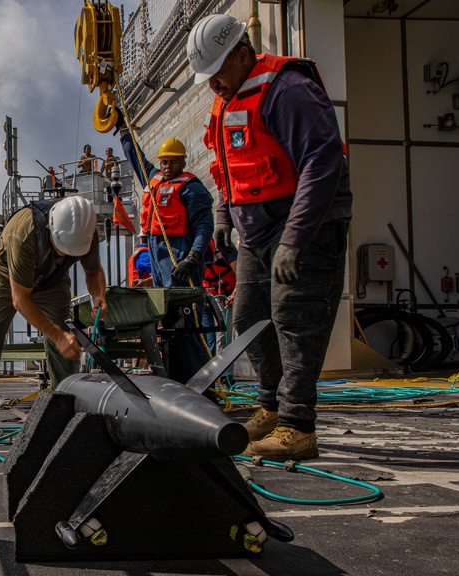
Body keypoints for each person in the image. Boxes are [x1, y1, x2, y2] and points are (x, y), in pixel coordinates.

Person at [188, 14, 352, 461]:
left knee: (295, 321)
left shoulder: (288, 90)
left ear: (243, 55)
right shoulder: (228, 101)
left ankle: (299, 426)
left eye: (218, 72)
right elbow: (227, 171)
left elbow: (323, 162)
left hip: (304, 228)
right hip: (255, 234)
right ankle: (271, 407)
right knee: (248, 319)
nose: (214, 85)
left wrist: (295, 238)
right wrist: (223, 216)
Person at [0, 196, 107, 428]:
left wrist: (99, 297)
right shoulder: (23, 233)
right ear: (51, 228)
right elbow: (20, 300)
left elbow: (93, 271)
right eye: (62, 248)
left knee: (62, 332)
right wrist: (58, 337)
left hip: (52, 280)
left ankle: (65, 407)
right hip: (9, 276)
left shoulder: (85, 232)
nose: (66, 255)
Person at [117, 129, 214, 380]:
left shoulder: (192, 189)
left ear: (183, 161)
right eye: (164, 161)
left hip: (181, 264)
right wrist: (124, 132)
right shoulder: (154, 179)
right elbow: (136, 158)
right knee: (168, 325)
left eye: (172, 161)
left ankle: (201, 380)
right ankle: (175, 378)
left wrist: (193, 256)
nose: (167, 166)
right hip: (162, 272)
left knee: (188, 325)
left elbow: (204, 225)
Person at [200, 239, 237, 352]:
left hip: (233, 292)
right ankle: (216, 364)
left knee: (225, 335)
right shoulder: (194, 255)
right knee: (215, 333)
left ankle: (226, 367)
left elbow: (240, 273)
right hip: (214, 297)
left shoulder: (224, 246)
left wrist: (235, 293)